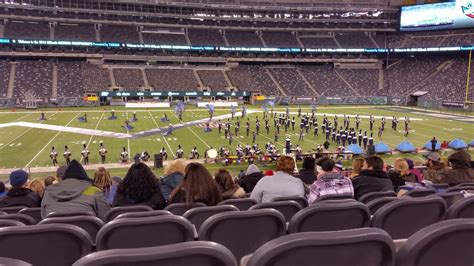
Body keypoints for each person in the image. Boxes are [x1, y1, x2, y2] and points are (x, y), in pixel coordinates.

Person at [41, 160, 110, 219]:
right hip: (87, 232)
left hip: (55, 233)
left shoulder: (48, 192)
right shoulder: (93, 191)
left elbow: (43, 217)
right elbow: (105, 217)